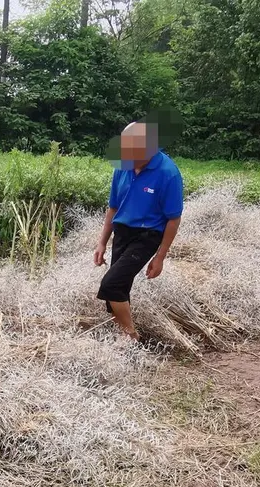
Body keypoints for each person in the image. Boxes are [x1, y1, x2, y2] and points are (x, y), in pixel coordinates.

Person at [93, 120, 184, 343]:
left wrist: (160, 256)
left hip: (147, 235)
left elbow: (173, 218)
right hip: (123, 231)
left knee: (111, 284)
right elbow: (114, 206)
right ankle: (122, 337)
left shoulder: (168, 173)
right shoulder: (122, 166)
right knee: (118, 289)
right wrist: (102, 242)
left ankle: (131, 337)